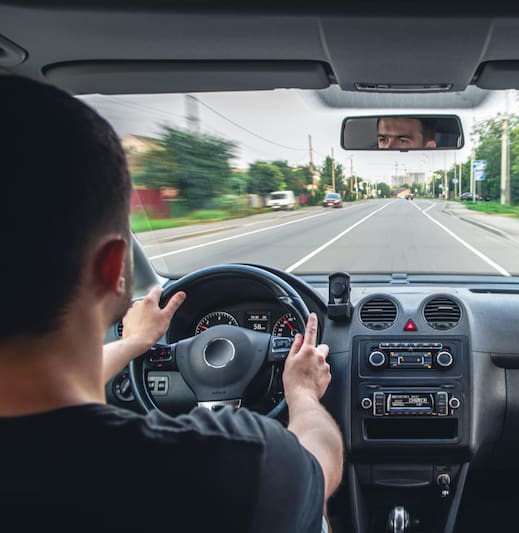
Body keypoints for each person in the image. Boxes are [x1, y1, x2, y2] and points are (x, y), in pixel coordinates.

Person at [0, 75, 343, 532]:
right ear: (115, 270)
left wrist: (135, 344)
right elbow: (319, 464)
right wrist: (300, 392)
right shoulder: (234, 465)